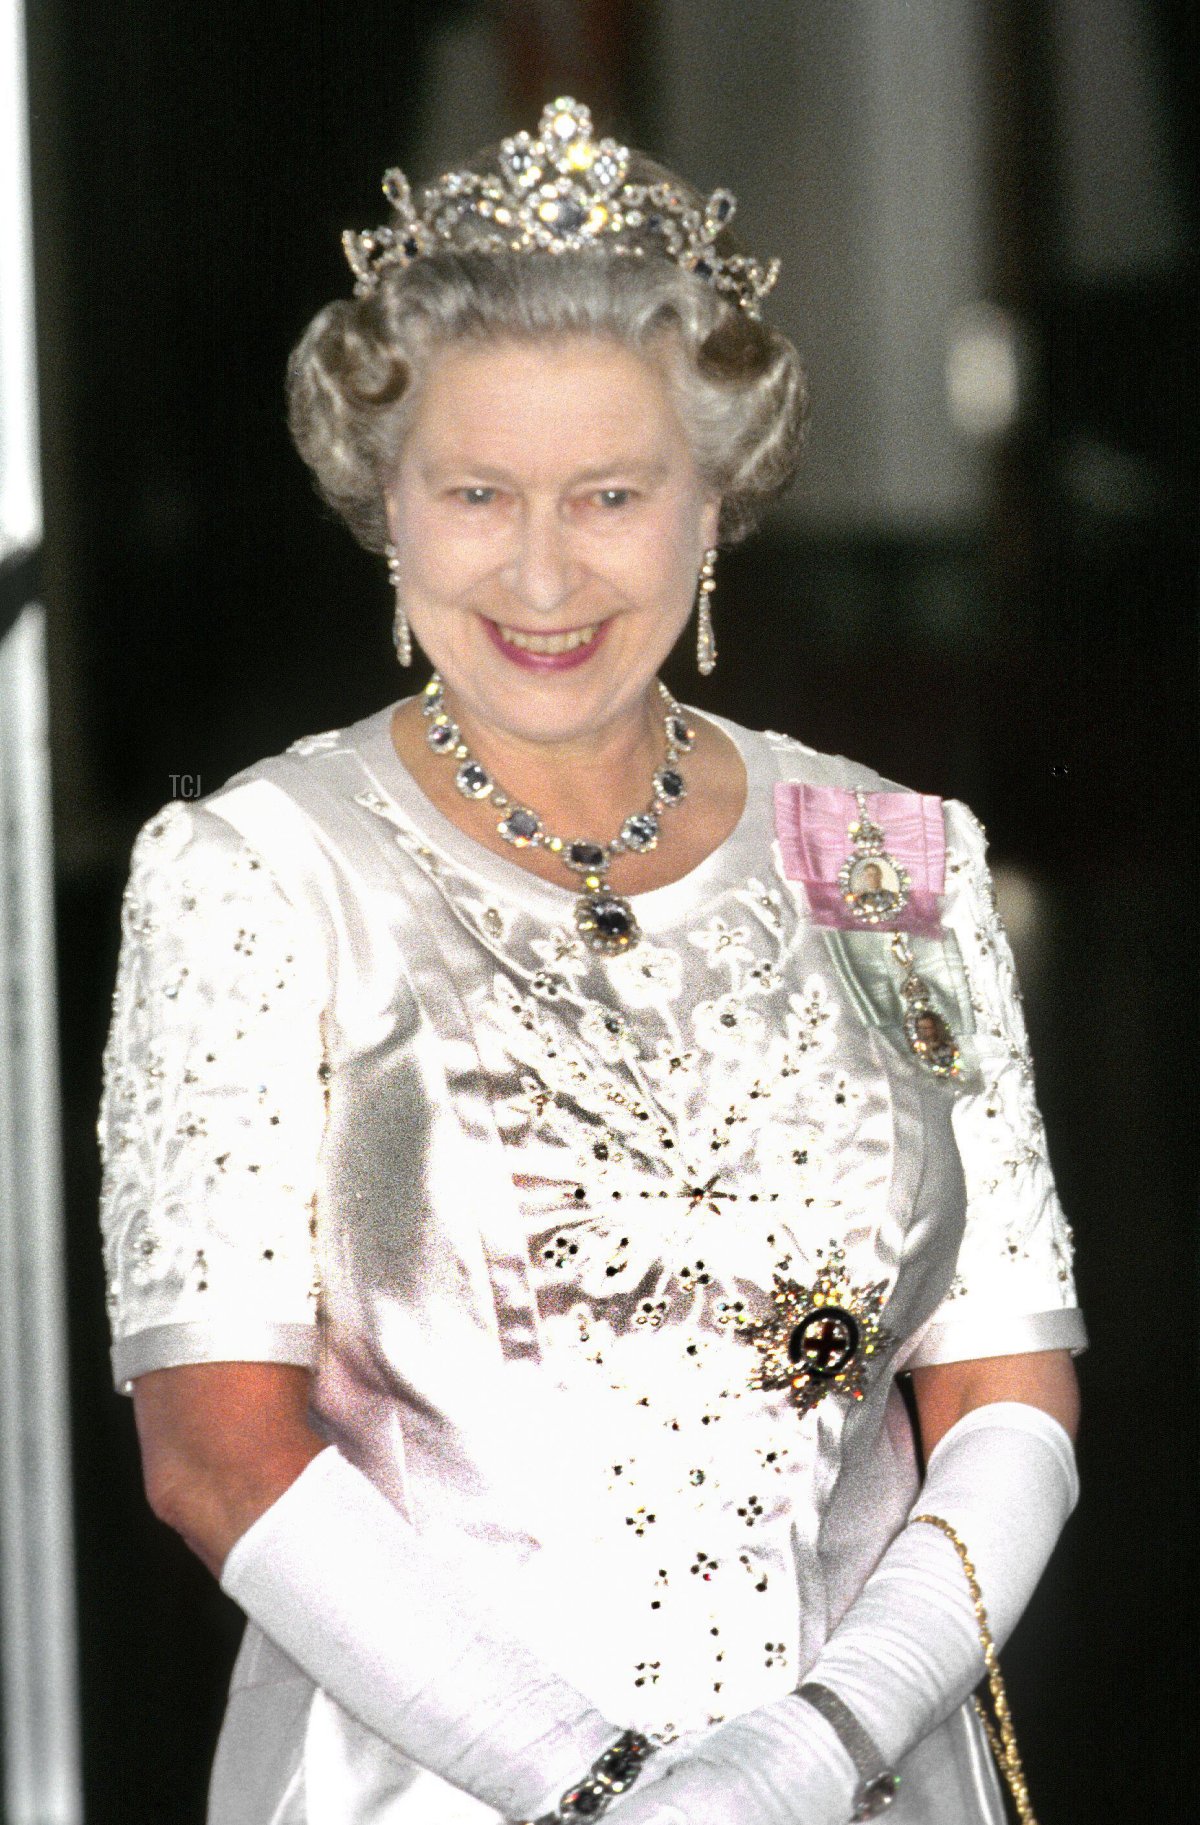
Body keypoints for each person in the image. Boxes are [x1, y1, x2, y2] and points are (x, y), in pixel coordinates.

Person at [99, 98, 1085, 1825]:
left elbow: (1010, 1388)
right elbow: (213, 1445)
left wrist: (816, 1746)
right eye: (475, 492)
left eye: (612, 494)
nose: (542, 570)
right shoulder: (252, 872)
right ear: (383, 505)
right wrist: (608, 1791)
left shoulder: (888, 855)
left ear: (715, 506)